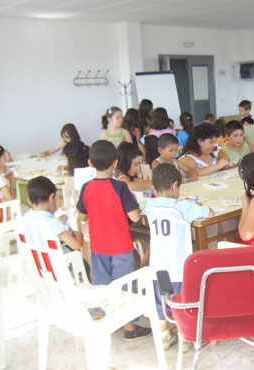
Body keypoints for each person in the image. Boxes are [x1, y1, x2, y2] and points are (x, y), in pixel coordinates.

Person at [76, 140, 151, 341]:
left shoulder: (86, 187)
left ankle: (100, 324)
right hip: (121, 247)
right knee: (125, 287)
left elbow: (81, 216)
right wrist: (134, 202)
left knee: (100, 286)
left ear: (90, 163)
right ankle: (129, 327)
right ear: (115, 163)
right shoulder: (119, 187)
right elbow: (135, 217)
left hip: (98, 247)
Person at [145, 163, 213, 350]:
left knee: (161, 303)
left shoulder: (149, 205)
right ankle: (184, 336)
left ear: (154, 186)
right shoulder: (183, 207)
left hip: (157, 267)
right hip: (178, 267)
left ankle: (164, 335)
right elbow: (210, 213)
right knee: (180, 302)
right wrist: (197, 205)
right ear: (175, 186)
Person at [24, 176, 84, 254]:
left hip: (38, 261)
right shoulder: (53, 223)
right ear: (51, 197)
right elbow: (76, 246)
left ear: (29, 201)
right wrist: (78, 232)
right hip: (58, 263)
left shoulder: (26, 217)